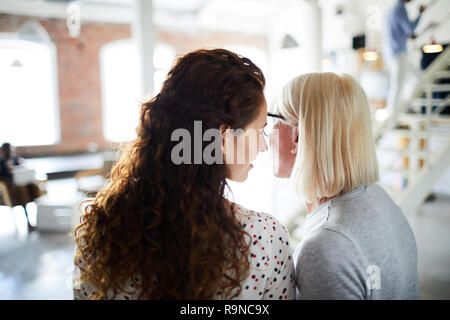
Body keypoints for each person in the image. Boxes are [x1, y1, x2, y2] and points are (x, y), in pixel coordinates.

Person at [73, 49, 295, 300]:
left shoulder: (100, 229)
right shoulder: (261, 238)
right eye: (259, 131)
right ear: (223, 139)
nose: (263, 146)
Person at [268, 72, 420, 299]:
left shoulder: (325, 247)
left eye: (272, 120)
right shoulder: (379, 198)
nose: (266, 136)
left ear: (298, 137)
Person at [383, 0, 426, 122]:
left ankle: (405, 107)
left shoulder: (393, 9)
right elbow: (409, 28)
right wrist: (420, 14)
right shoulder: (399, 8)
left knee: (417, 78)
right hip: (398, 53)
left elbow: (403, 31)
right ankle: (392, 117)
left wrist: (410, 34)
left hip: (395, 53)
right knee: (397, 85)